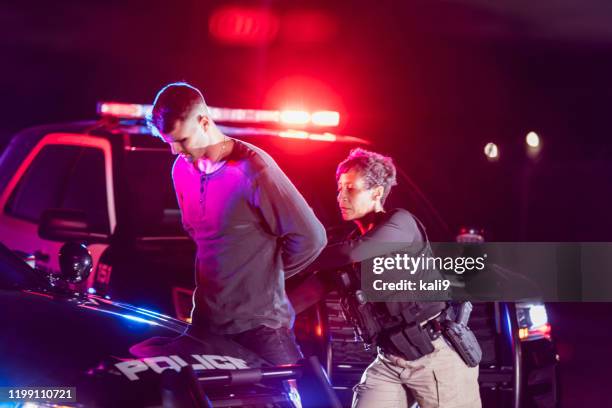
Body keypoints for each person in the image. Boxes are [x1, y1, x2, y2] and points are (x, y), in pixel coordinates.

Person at [149, 82, 327, 365]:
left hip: (260, 329)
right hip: (206, 325)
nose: (174, 150)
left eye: (182, 140)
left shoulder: (254, 169)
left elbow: (312, 238)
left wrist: (266, 276)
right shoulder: (181, 169)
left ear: (204, 122)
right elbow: (199, 236)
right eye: (168, 141)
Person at [305, 148, 481, 408]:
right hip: (390, 360)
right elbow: (311, 291)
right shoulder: (349, 244)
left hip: (436, 360)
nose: (341, 196)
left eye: (351, 188)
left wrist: (294, 255)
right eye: (339, 188)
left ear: (376, 192)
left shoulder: (401, 224)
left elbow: (354, 252)